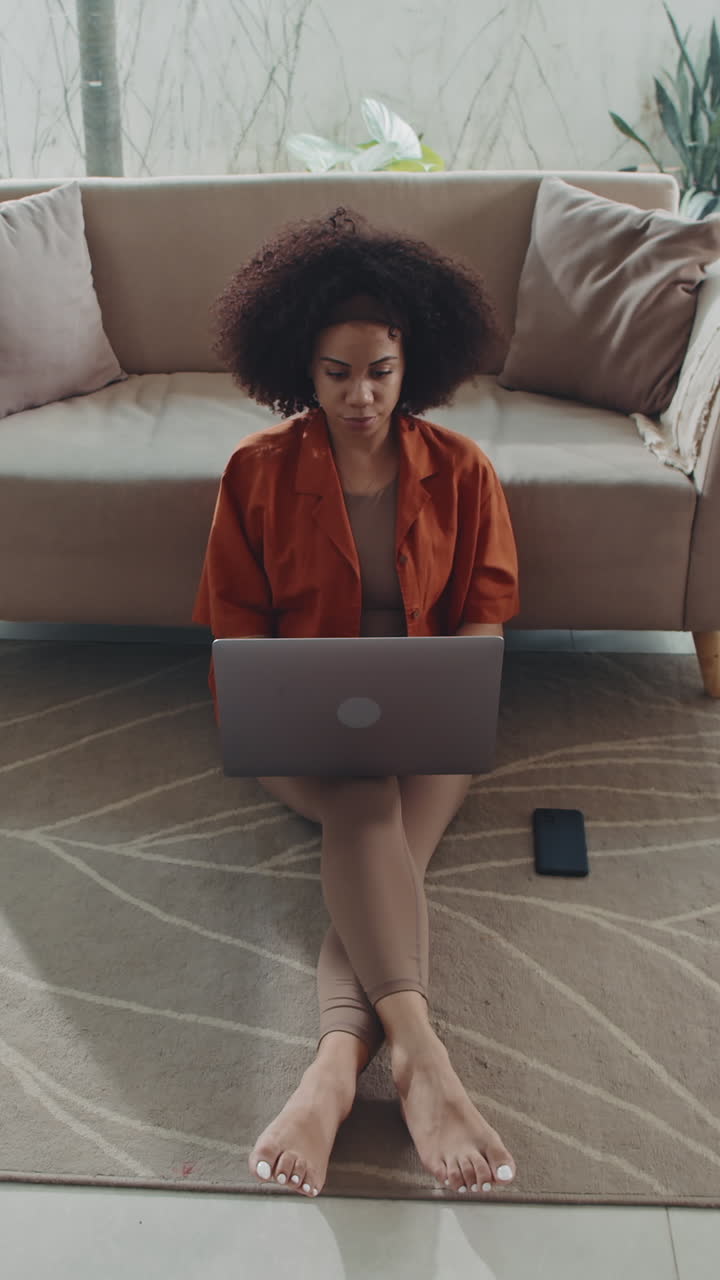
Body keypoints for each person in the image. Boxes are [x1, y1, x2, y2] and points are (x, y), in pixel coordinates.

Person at [193, 206, 521, 1201]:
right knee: (365, 803)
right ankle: (423, 1057)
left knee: (376, 825)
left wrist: (450, 682)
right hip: (303, 725)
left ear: (408, 359)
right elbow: (234, 631)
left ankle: (333, 1071)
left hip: (429, 722)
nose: (361, 393)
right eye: (337, 372)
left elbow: (486, 618)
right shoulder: (255, 471)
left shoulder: (464, 471)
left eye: (378, 368)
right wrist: (285, 695)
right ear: (303, 365)